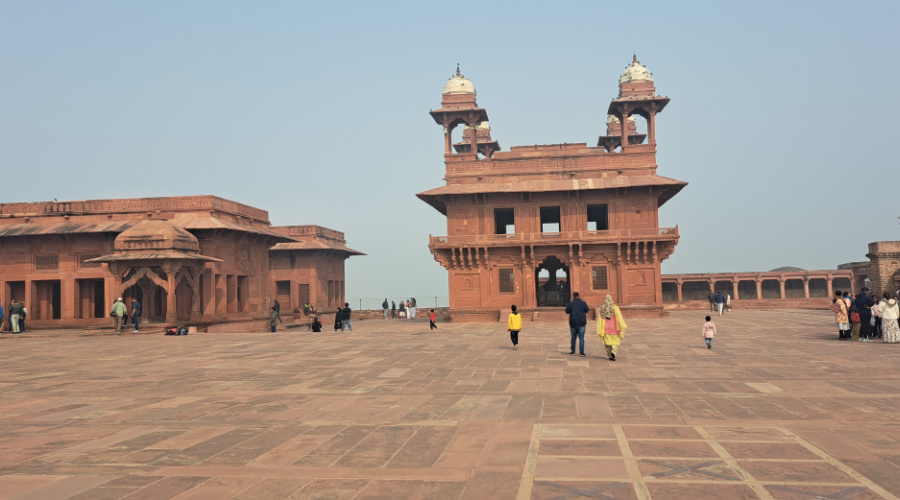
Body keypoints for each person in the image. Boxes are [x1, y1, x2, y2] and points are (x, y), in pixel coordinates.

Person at [597, 294, 627, 360]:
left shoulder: (602, 308)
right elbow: (619, 318)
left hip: (605, 328)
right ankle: (613, 352)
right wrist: (621, 325)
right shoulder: (615, 307)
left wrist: (599, 328)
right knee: (615, 342)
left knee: (607, 343)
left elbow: (600, 319)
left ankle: (610, 355)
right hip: (615, 328)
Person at [564, 292, 589, 356]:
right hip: (581, 322)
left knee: (573, 337)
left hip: (573, 322)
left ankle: (573, 351)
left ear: (573, 296)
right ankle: (582, 352)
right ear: (578, 296)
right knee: (581, 337)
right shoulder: (583, 303)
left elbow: (567, 311)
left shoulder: (571, 304)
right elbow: (587, 310)